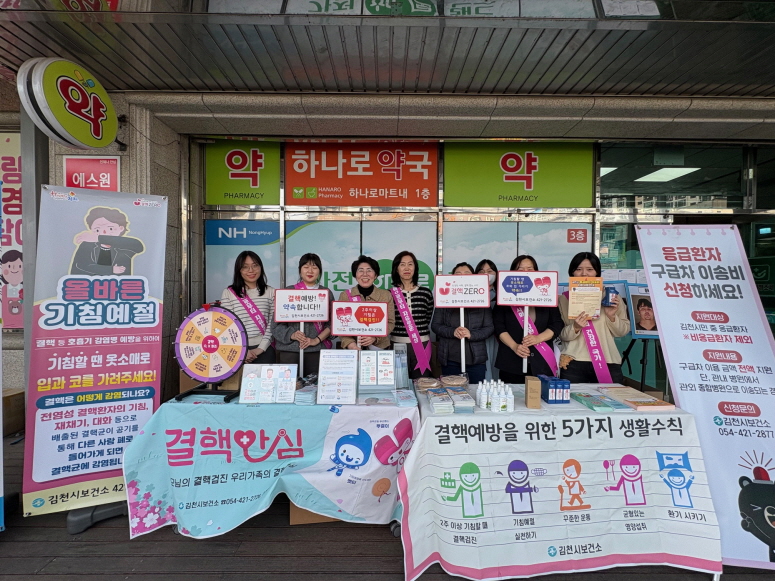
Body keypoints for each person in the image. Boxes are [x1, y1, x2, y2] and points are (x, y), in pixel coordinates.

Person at [558, 252, 629, 384]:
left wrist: (611, 316)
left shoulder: (611, 297)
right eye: (579, 269)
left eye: (590, 269)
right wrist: (575, 327)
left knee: (611, 398)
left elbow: (622, 332)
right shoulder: (564, 299)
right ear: (572, 272)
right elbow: (561, 335)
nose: (584, 274)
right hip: (574, 362)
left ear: (597, 272)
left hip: (607, 361)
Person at [494, 255, 563, 384]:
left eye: (530, 269)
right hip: (511, 363)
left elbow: (556, 324)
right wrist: (514, 346)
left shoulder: (547, 296)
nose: (526, 272)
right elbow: (499, 327)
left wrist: (538, 338)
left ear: (536, 272)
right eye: (520, 269)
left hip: (542, 362)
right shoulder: (504, 296)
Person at [431, 262, 494, 384]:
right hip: (450, 359)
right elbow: (435, 325)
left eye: (467, 273)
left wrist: (471, 334)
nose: (462, 276)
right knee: (452, 392)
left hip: (476, 360)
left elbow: (489, 328)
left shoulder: (482, 299)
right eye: (458, 274)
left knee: (475, 393)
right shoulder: (444, 299)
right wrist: (452, 332)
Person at [273, 253, 333, 375]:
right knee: (289, 385)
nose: (310, 271)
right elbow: (275, 326)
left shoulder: (326, 292)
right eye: (306, 267)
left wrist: (316, 340)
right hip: (290, 351)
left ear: (320, 271)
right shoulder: (288, 292)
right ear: (300, 270)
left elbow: (333, 324)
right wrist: (292, 334)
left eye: (314, 267)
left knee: (315, 385)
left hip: (317, 350)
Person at [220, 251, 276, 364]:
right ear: (239, 270)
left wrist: (260, 348)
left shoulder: (271, 292)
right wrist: (242, 350)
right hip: (236, 350)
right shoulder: (228, 293)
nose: (251, 270)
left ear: (261, 267)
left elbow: (273, 323)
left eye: (255, 265)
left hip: (265, 349)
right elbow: (226, 324)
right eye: (245, 267)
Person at [390, 251, 434, 378]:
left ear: (415, 268)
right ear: (396, 268)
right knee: (399, 382)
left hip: (422, 345)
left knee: (422, 383)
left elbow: (427, 318)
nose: (407, 268)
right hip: (397, 345)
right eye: (402, 264)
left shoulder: (426, 293)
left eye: (410, 264)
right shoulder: (389, 294)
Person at [339, 255, 395, 350]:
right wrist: (350, 344)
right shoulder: (345, 295)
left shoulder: (385, 295)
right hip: (353, 349)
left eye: (369, 270)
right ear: (355, 275)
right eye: (360, 270)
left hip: (379, 348)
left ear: (375, 275)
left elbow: (390, 322)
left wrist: (375, 337)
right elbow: (340, 325)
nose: (365, 274)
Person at [70, 206, 144, 276]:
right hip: (89, 284)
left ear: (121, 228)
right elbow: (82, 264)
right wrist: (110, 270)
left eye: (110, 228)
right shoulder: (87, 245)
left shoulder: (124, 247)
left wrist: (99, 238)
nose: (104, 232)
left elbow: (138, 246)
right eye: (97, 230)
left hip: (118, 284)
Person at [475, 258, 500, 381]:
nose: (486, 274)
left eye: (490, 271)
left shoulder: (503, 293)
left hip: (499, 337)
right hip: (478, 336)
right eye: (481, 271)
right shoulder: (471, 294)